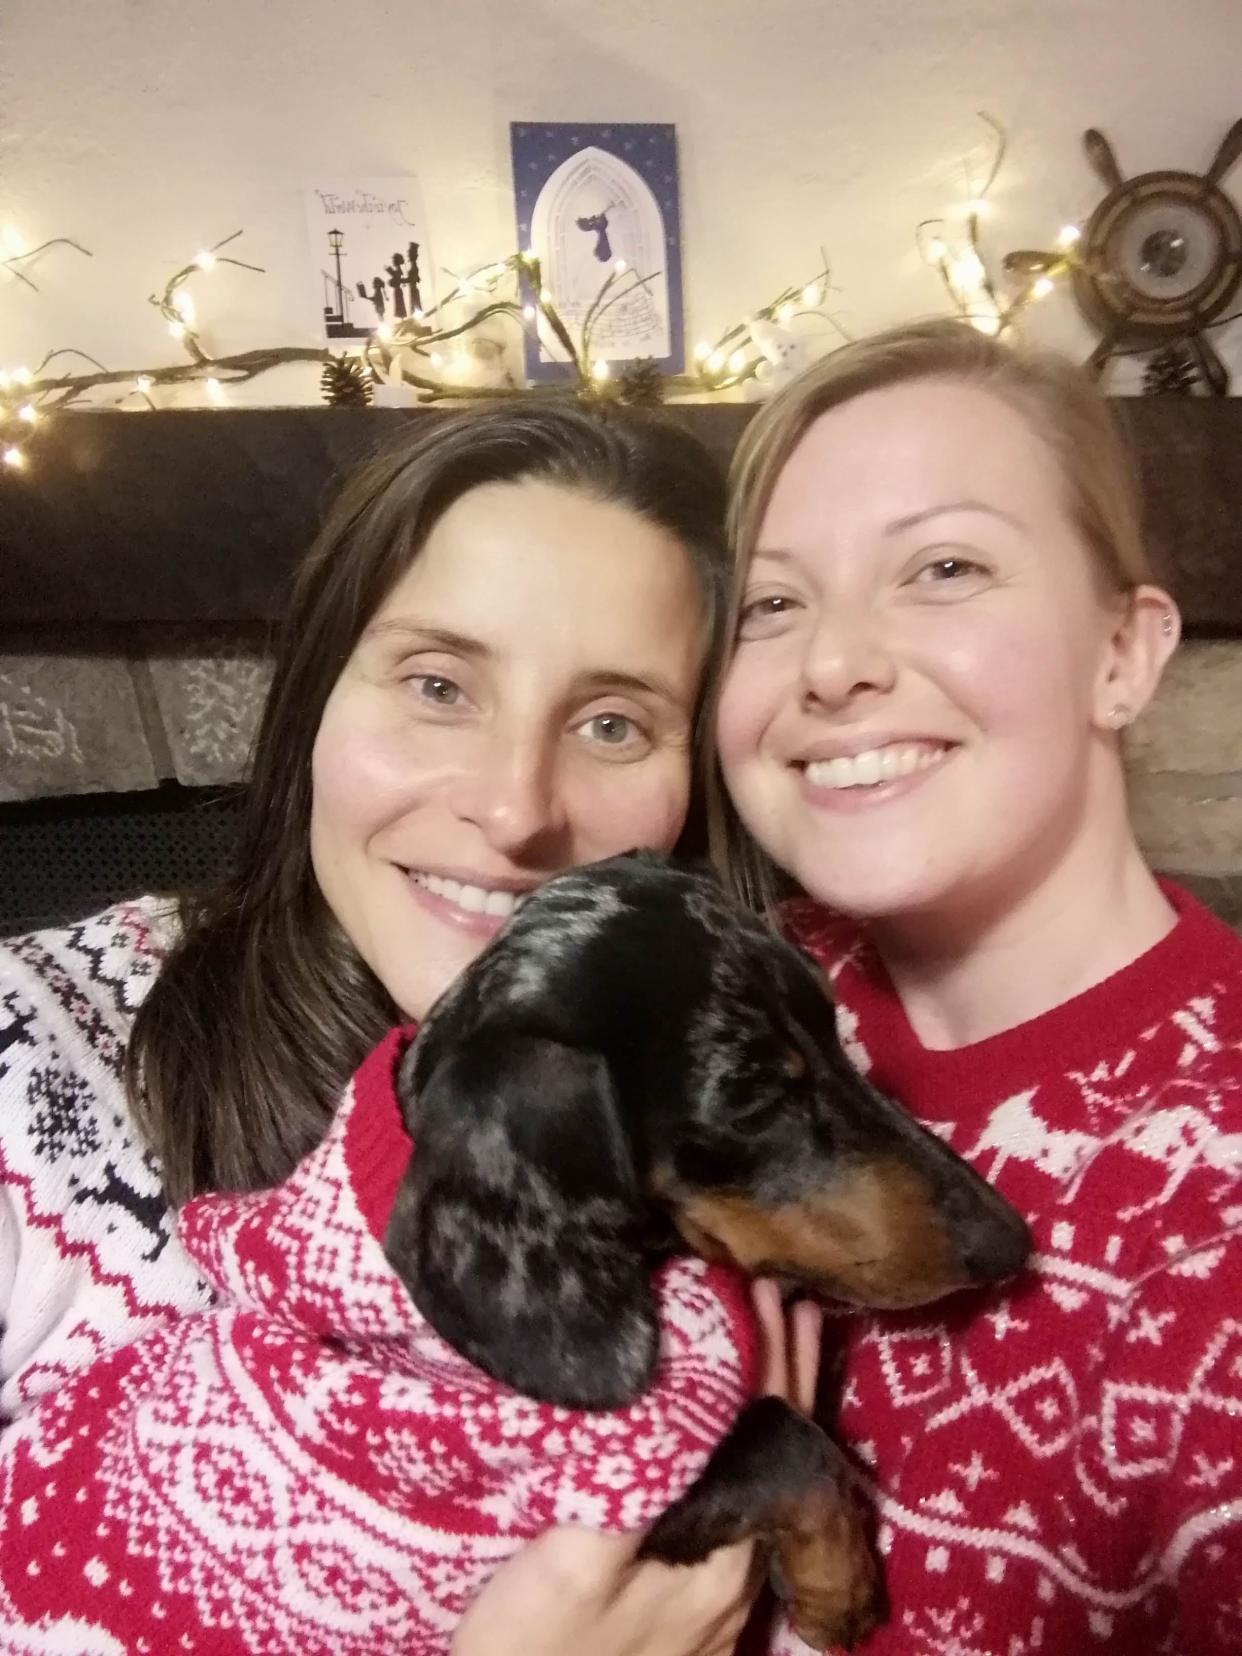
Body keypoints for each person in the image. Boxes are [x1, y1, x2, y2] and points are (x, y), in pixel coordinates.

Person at [0, 400, 816, 1656]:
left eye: (613, 723)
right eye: (439, 685)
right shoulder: (27, 1063)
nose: (514, 811)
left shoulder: (763, 1144)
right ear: (314, 702)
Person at [707, 318, 1242, 1655]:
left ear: (1121, 654)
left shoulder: (1214, 1196)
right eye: (771, 603)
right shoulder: (733, 987)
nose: (830, 664)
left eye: (942, 567)